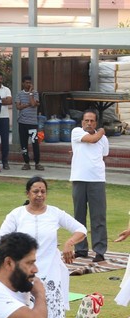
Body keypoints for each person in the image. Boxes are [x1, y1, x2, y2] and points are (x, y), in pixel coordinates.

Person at [0, 177, 86, 318]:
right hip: (23, 272)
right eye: (35, 191)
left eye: (43, 191)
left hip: (50, 270)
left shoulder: (54, 213)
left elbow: (81, 229)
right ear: (28, 193)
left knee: (54, 315)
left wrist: (69, 242)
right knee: (18, 314)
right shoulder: (17, 214)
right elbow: (0, 240)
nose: (39, 195)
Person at [70, 109, 110, 263]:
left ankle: (99, 251)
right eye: (86, 120)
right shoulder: (76, 132)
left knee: (98, 216)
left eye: (92, 121)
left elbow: (104, 155)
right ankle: (80, 249)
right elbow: (92, 139)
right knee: (79, 215)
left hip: (97, 180)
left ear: (96, 122)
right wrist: (101, 132)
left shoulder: (103, 139)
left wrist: (100, 134)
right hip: (79, 179)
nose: (89, 123)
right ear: (82, 122)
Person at [15, 76, 45, 171]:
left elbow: (33, 104)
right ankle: (26, 163)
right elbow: (18, 107)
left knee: (34, 143)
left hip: (32, 123)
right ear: (23, 83)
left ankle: (37, 163)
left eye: (30, 83)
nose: (28, 84)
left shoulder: (35, 93)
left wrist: (31, 93)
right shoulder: (19, 94)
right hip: (22, 123)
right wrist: (28, 105)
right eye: (26, 83)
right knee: (23, 144)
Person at [0, 72, 13, 170]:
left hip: (4, 118)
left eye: (1, 79)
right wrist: (2, 100)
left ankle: (5, 162)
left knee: (5, 141)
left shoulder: (6, 89)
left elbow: (9, 101)